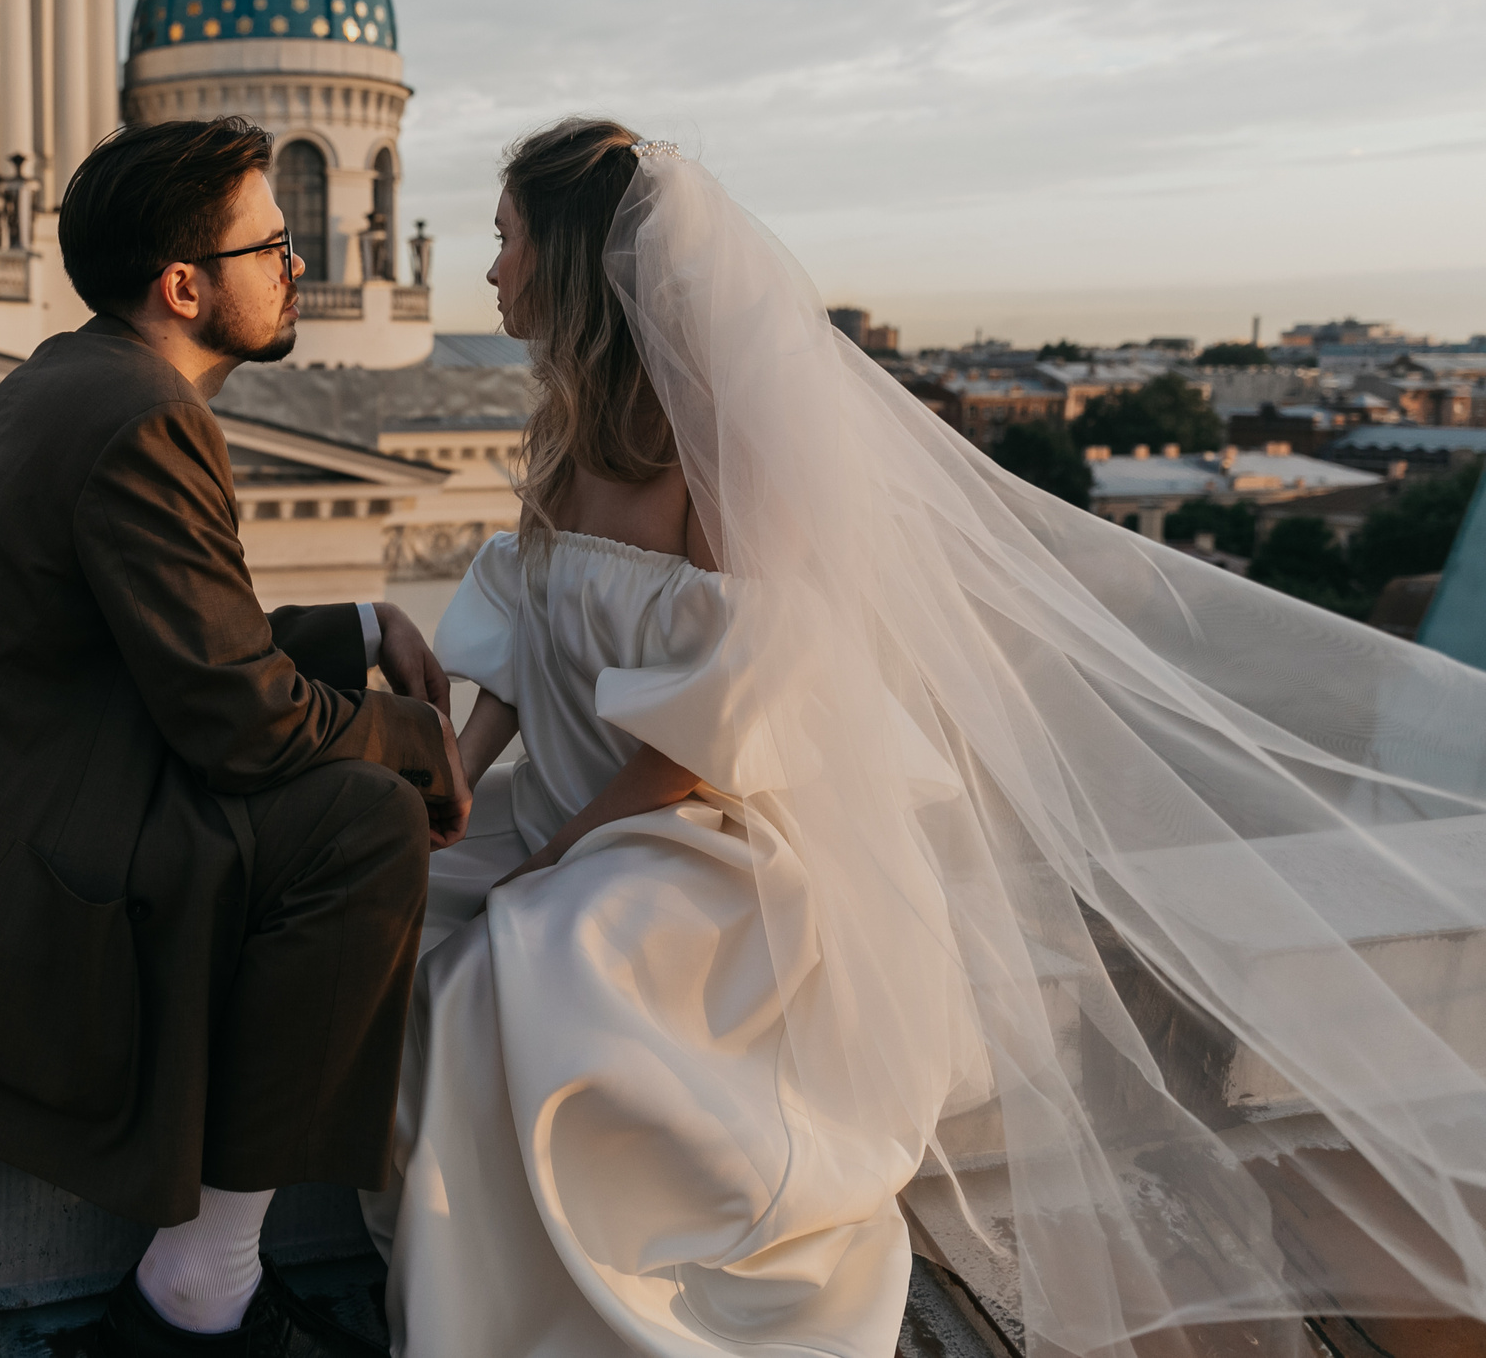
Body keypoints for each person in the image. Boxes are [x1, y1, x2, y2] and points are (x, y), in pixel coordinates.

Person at [368, 120, 1486, 1358]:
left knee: (520, 965)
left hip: (701, 835)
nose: (489, 270)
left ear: (573, 261)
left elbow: (712, 727)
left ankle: (546, 1308)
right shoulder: (559, 438)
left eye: (506, 239)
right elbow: (517, 646)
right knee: (395, 903)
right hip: (579, 812)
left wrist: (559, 851)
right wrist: (457, 783)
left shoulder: (714, 460)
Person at [0, 117, 470, 1358]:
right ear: (184, 286)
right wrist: (411, 737)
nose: (297, 263)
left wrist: (361, 627)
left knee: (339, 786)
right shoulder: (146, 419)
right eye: (271, 244)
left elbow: (171, 641)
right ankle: (199, 1293)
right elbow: (239, 721)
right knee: (362, 825)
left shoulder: (74, 376)